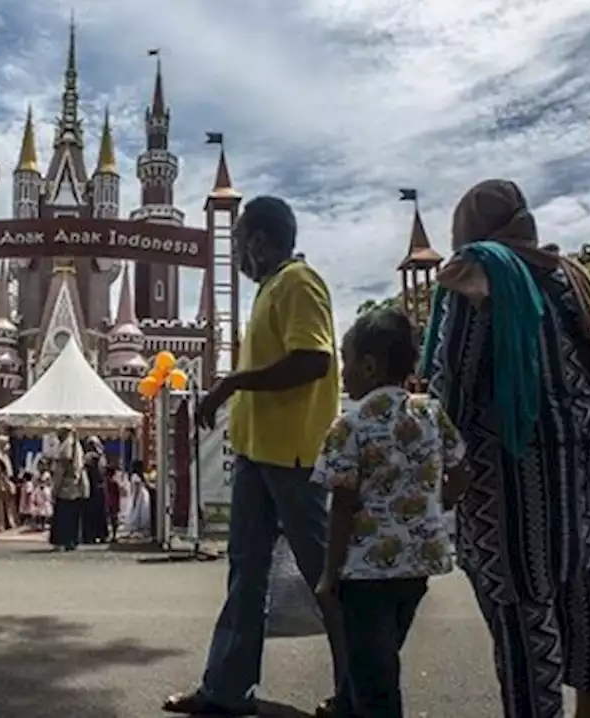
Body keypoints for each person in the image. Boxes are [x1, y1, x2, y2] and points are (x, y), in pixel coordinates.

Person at [422, 179, 590, 718]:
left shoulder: (473, 274)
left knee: (522, 628)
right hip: (583, 486)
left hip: (507, 492)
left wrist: (443, 467)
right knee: (587, 615)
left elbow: (455, 382)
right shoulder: (570, 274)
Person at [164, 196, 345, 718]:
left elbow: (313, 359)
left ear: (260, 243)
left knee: (326, 578)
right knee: (246, 574)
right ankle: (225, 689)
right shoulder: (270, 289)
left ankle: (359, 692)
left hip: (292, 458)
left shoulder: (297, 282)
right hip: (256, 456)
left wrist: (232, 383)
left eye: (240, 241)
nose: (239, 253)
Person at [312, 309, 471, 718]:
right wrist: (438, 505)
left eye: (346, 360)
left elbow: (343, 505)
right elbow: (460, 471)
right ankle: (345, 706)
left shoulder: (349, 426)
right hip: (418, 565)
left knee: (376, 680)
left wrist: (329, 575)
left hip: (365, 573)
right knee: (377, 657)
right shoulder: (432, 414)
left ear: (368, 365)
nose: (343, 372)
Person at [48, 426, 87, 551]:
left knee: (63, 517)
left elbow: (59, 473)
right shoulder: (78, 449)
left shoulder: (65, 450)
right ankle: (72, 540)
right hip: (76, 488)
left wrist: (54, 489)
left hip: (64, 489)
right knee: (73, 517)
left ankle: (61, 540)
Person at [81, 436, 110, 544]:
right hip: (100, 487)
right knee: (100, 513)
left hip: (92, 488)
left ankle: (90, 535)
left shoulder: (89, 457)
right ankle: (101, 535)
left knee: (91, 513)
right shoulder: (102, 457)